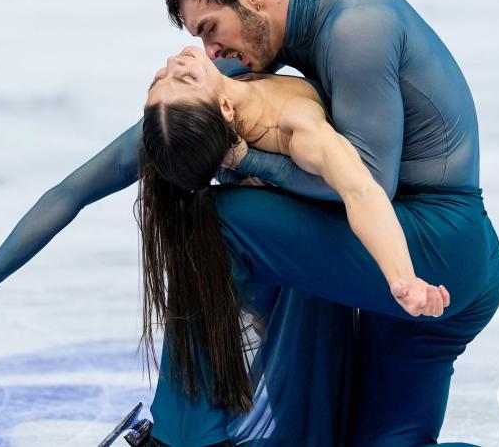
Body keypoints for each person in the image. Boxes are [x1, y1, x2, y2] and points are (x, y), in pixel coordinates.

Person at [0, 0, 499, 446]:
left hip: (432, 248)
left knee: (221, 218)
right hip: (427, 274)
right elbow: (76, 188)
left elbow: (370, 182)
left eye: (211, 29)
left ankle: (177, 437)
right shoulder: (240, 70)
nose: (207, 51)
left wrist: (248, 159)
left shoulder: (357, 28)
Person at [136, 44, 452, 420]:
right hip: (325, 249)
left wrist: (403, 276)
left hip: (380, 241)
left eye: (169, 74)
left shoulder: (271, 109)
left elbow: (362, 189)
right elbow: (358, 189)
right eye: (174, 77)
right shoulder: (272, 124)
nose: (173, 62)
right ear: (223, 108)